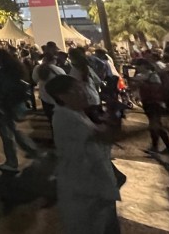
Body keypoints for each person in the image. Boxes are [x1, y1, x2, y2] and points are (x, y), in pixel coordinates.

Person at [45, 75, 121, 234]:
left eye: (84, 88)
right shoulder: (65, 117)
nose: (85, 93)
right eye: (78, 90)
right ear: (62, 96)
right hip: (85, 190)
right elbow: (105, 136)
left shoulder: (77, 113)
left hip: (94, 186)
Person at [0, 50, 38, 173]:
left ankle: (11, 162)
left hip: (5, 106)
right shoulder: (17, 69)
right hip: (15, 104)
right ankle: (31, 149)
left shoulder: (3, 72)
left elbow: (2, 89)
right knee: (14, 130)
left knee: (7, 135)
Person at [129, 57, 169, 159]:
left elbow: (157, 89)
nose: (137, 68)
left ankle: (166, 148)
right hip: (148, 102)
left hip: (155, 103)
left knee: (155, 125)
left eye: (139, 66)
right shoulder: (142, 76)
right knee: (155, 125)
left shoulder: (153, 75)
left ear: (144, 66)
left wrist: (143, 84)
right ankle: (160, 147)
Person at [67, 47, 103, 121]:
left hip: (85, 99)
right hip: (92, 98)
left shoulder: (76, 70)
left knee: (90, 124)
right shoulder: (86, 68)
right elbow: (97, 81)